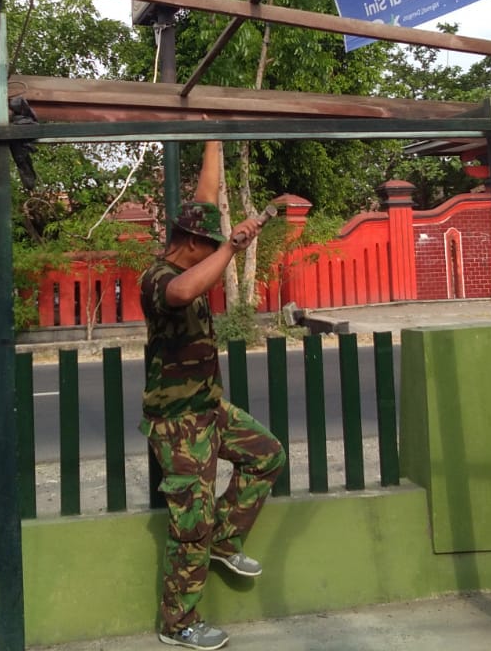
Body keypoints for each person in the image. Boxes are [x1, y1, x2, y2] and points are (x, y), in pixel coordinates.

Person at [139, 141, 286, 650]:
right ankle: (178, 624)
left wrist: (213, 137)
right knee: (191, 524)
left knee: (267, 456)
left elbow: (205, 194)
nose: (216, 255)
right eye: (210, 246)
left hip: (210, 408)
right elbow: (184, 292)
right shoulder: (158, 279)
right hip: (177, 424)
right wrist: (232, 249)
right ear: (191, 244)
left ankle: (225, 541)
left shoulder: (195, 242)